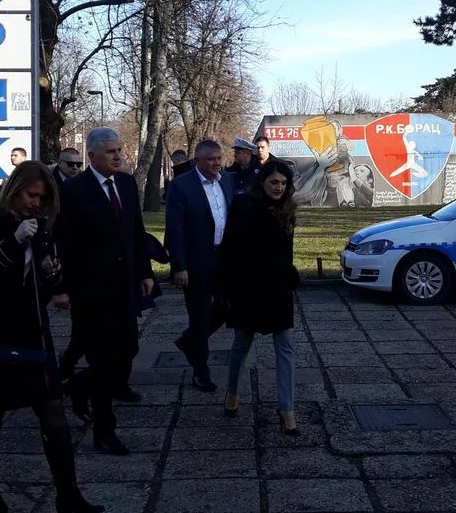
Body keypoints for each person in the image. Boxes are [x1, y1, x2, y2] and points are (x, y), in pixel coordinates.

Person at [0, 161, 103, 513]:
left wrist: (53, 274)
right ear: (14, 190)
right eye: (30, 195)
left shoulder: (41, 227)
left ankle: (68, 495)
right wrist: (14, 240)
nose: (36, 203)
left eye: (42, 198)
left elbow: (44, 280)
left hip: (32, 331)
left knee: (53, 411)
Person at [56, 128, 155, 456]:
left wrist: (145, 272)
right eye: (111, 151)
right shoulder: (74, 190)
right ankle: (104, 430)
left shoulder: (125, 183)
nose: (118, 156)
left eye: (119, 150)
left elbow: (136, 232)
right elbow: (65, 244)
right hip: (91, 291)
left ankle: (76, 386)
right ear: (93, 156)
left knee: (128, 348)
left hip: (124, 286)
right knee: (101, 359)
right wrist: (62, 289)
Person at [217, 160, 302, 435]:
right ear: (262, 181)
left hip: (278, 288)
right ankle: (232, 391)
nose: (279, 188)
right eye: (274, 182)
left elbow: (287, 248)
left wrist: (290, 277)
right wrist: (226, 287)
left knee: (286, 346)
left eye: (283, 183)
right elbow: (229, 247)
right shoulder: (244, 204)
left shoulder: (288, 208)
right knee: (241, 344)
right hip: (248, 288)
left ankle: (287, 409)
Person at [166, 139, 235, 392]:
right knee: (199, 314)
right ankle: (200, 370)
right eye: (211, 159)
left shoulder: (226, 180)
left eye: (219, 158)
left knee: (228, 307)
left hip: (222, 258)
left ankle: (189, 340)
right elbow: (174, 228)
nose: (217, 163)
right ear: (198, 161)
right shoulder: (182, 185)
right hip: (196, 261)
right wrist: (179, 266)